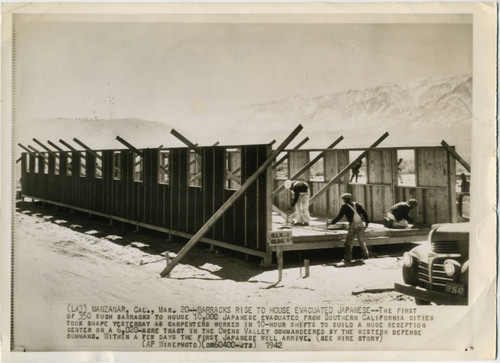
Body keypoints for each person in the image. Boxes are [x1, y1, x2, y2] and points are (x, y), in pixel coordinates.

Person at [328, 193, 370, 263]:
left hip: (353, 225)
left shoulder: (344, 206)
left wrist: (332, 223)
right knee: (361, 241)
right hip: (360, 224)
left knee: (348, 242)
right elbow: (365, 213)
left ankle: (347, 258)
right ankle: (366, 255)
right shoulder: (358, 205)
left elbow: (339, 216)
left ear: (344, 199)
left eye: (343, 199)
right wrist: (367, 223)